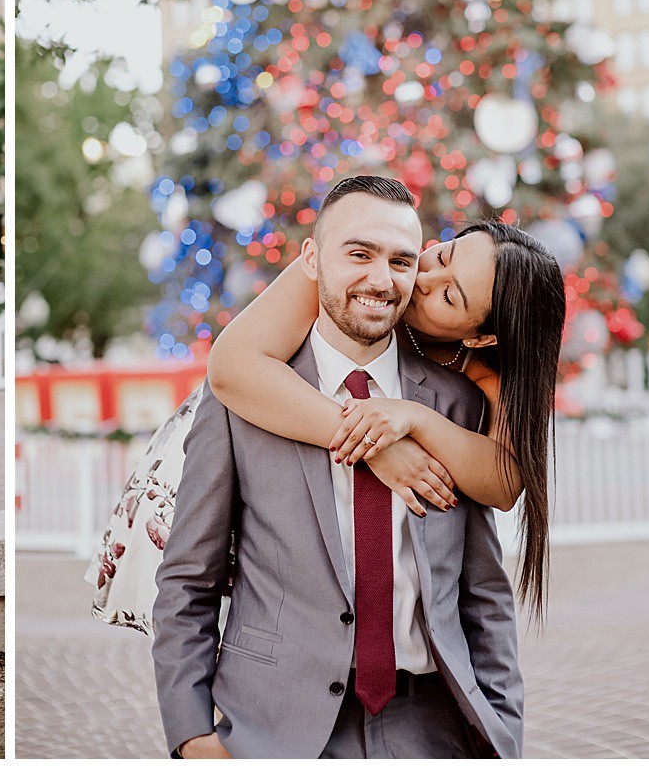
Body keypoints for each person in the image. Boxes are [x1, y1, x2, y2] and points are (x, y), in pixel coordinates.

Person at [151, 176, 522, 757]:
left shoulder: (462, 404)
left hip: (431, 728)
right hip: (273, 730)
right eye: (359, 254)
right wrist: (192, 734)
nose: (388, 279)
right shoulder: (246, 397)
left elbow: (483, 594)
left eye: (403, 260)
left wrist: (501, 733)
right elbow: (187, 581)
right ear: (311, 259)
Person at [90, 207, 564, 631]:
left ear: (481, 338)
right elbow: (232, 368)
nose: (420, 279)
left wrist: (414, 419)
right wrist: (379, 445)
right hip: (247, 418)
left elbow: (504, 482)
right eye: (442, 256)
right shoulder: (355, 269)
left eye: (449, 296)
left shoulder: (490, 373)